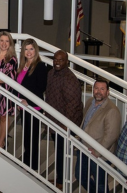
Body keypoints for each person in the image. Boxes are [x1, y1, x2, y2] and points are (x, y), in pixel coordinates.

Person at [75, 78, 121, 193]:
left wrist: (97, 152)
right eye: (96, 88)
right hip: (84, 148)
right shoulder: (90, 101)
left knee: (100, 183)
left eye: (102, 89)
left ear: (107, 92)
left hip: (99, 154)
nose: (98, 91)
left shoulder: (112, 110)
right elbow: (85, 122)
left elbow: (111, 136)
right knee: (80, 176)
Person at [45, 50, 83, 189]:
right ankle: (59, 178)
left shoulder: (69, 78)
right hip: (54, 120)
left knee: (63, 153)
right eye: (55, 59)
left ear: (67, 62)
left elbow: (73, 104)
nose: (57, 62)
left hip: (65, 122)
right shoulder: (51, 73)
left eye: (60, 60)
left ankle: (62, 181)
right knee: (58, 151)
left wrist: (66, 125)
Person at [16, 38, 48, 170]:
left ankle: (33, 166)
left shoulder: (40, 66)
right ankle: (27, 162)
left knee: (32, 138)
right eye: (26, 49)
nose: (28, 52)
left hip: (33, 107)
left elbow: (40, 88)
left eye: (31, 49)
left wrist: (27, 101)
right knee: (27, 137)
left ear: (36, 50)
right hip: (23, 107)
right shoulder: (23, 66)